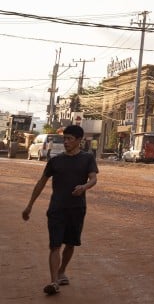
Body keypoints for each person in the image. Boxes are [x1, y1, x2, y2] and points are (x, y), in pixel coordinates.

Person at [22, 124, 99, 296]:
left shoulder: (87, 158)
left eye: (69, 139)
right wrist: (29, 205)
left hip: (77, 209)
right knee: (55, 245)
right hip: (56, 209)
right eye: (65, 138)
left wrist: (84, 187)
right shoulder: (55, 161)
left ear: (79, 140)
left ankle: (62, 270)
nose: (66, 142)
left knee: (70, 244)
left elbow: (93, 179)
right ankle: (54, 281)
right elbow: (41, 182)